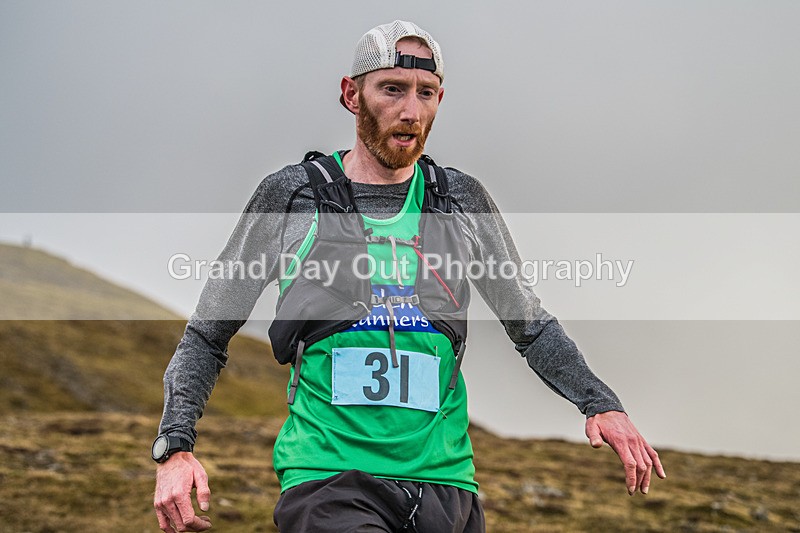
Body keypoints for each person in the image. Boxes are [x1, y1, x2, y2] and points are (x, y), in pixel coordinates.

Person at [152, 20, 665, 533]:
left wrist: (601, 404)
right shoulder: (291, 197)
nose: (411, 111)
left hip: (447, 485)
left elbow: (530, 325)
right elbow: (207, 332)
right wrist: (175, 448)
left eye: (426, 93)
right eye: (392, 89)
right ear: (352, 94)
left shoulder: (461, 201)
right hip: (329, 480)